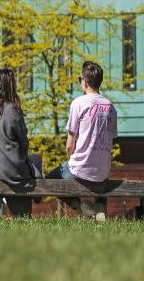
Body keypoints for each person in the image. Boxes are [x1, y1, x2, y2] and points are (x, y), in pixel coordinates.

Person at [46, 61, 118, 217]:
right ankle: (100, 208)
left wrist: (71, 161)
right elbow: (111, 139)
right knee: (98, 177)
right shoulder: (111, 107)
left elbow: (69, 144)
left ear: (84, 81)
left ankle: (78, 205)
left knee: (49, 180)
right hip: (103, 173)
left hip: (80, 170)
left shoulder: (78, 103)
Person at [0, 68, 42, 217]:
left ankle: (21, 210)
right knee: (35, 159)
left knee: (25, 164)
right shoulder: (12, 109)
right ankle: (36, 197)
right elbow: (24, 143)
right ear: (11, 86)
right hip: (12, 171)